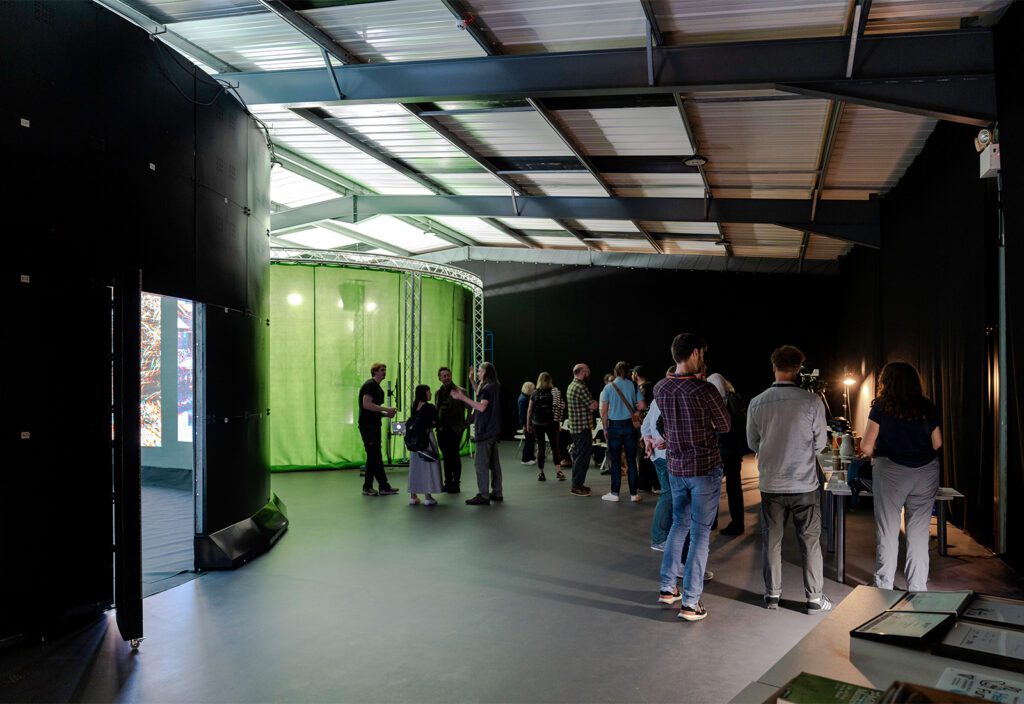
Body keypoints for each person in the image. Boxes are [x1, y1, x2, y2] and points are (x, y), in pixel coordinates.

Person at [746, 345, 832, 614]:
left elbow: (752, 442)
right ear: (798, 368)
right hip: (804, 484)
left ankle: (772, 596)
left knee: (772, 541)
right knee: (810, 542)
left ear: (774, 366)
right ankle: (815, 599)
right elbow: (821, 445)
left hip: (771, 484)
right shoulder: (812, 402)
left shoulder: (757, 402)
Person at [652, 334, 729, 621]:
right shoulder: (704, 390)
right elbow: (724, 424)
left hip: (676, 468)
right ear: (695, 353)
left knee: (678, 526)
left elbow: (665, 424)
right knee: (699, 534)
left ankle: (668, 587)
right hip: (703, 469)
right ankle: (691, 601)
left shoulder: (661, 387)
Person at [859, 361, 943, 592]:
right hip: (926, 472)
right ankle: (917, 587)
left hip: (892, 472)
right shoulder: (927, 406)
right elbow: (937, 443)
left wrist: (879, 453)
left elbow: (866, 447)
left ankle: (883, 584)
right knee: (918, 532)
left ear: (887, 382)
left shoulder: (881, 407)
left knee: (888, 530)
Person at [452, 362, 502, 506]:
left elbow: (481, 406)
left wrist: (461, 398)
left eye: (479, 371)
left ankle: (483, 495)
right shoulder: (494, 385)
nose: (478, 373)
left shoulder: (488, 388)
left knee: (481, 464)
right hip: (493, 430)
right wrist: (472, 380)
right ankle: (497, 492)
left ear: (486, 372)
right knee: (494, 464)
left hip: (485, 431)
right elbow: (481, 395)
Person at [707, 373, 749, 535]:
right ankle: (737, 523)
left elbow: (723, 426)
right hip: (733, 449)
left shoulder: (719, 402)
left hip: (722, 448)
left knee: (714, 487)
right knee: (734, 487)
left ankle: (713, 521)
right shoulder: (735, 398)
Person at [600, 361, 642, 502]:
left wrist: (605, 428)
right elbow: (642, 405)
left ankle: (615, 493)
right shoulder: (633, 385)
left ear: (615, 371)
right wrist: (635, 411)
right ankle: (634, 494)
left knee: (616, 461)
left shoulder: (608, 387)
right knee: (631, 460)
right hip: (630, 425)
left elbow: (604, 411)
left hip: (614, 426)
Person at [358, 362, 399, 497]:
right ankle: (383, 486)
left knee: (373, 456)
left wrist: (385, 415)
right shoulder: (370, 385)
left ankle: (369, 486)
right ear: (374, 372)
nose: (384, 372)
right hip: (367, 426)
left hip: (373, 425)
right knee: (375, 456)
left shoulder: (377, 388)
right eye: (382, 370)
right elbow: (366, 405)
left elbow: (373, 410)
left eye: (385, 370)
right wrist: (386, 409)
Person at [566, 363, 598, 496]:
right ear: (583, 372)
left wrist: (591, 406)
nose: (589, 373)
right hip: (582, 427)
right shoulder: (581, 387)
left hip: (575, 427)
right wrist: (593, 405)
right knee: (582, 458)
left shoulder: (571, 385)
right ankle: (576, 486)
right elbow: (593, 406)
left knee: (580, 456)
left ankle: (578, 484)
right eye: (588, 371)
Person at [408, 384, 442, 506]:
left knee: (415, 467)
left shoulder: (414, 405)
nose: (430, 394)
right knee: (428, 465)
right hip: (427, 438)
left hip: (415, 441)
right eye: (429, 392)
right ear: (424, 393)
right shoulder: (430, 407)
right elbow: (436, 422)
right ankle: (428, 497)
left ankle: (413, 496)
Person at [435, 367, 468, 493]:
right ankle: (447, 483)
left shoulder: (461, 391)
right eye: (443, 376)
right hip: (442, 430)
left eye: (448, 375)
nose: (446, 377)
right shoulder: (438, 393)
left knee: (454, 456)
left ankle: (456, 484)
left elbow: (471, 408)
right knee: (446, 456)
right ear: (440, 378)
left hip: (456, 429)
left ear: (451, 375)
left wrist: (466, 423)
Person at [526, 372, 564, 481]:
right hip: (552, 423)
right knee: (555, 447)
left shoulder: (535, 393)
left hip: (537, 423)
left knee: (541, 448)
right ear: (550, 380)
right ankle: (558, 471)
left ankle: (541, 473)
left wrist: (528, 423)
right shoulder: (555, 392)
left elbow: (530, 409)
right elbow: (560, 407)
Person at [633, 365, 659, 493]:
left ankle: (646, 483)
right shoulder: (650, 385)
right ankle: (653, 483)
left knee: (644, 452)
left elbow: (641, 405)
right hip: (648, 423)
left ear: (636, 374)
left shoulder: (644, 387)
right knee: (648, 451)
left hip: (644, 424)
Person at [517, 381, 537, 466]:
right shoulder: (523, 399)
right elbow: (521, 414)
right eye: (533, 389)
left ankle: (531, 457)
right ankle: (525, 459)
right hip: (526, 423)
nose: (534, 390)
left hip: (529, 423)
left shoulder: (525, 397)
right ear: (529, 389)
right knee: (529, 441)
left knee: (531, 440)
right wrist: (525, 425)